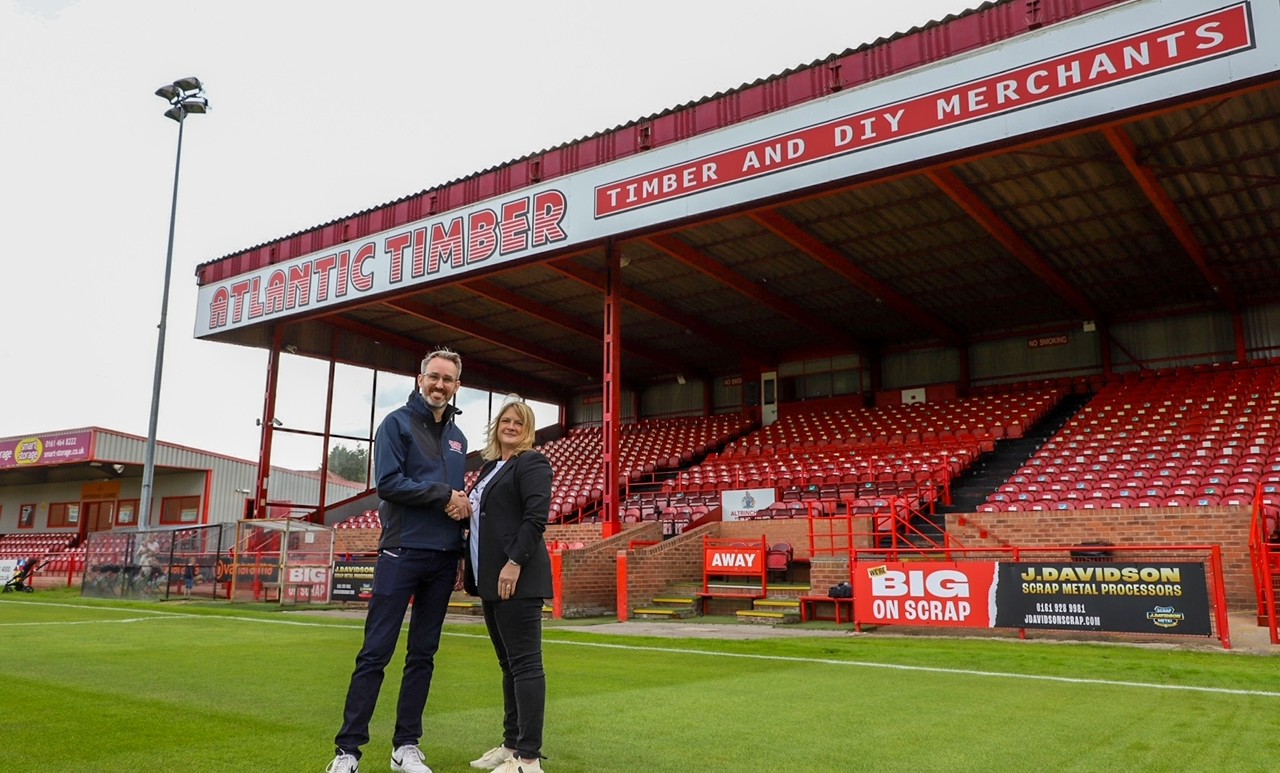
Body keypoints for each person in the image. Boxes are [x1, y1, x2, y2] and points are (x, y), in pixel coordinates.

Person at [328, 349, 473, 773]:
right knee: (375, 653)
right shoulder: (395, 424)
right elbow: (389, 484)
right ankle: (348, 751)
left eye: (448, 379)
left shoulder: (459, 438)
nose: (440, 385)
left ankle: (405, 746)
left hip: (444, 558)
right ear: (419, 378)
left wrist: (462, 543)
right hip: (401, 552)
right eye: (434, 376)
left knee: (423, 655)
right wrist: (444, 495)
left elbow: (458, 501)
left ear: (457, 386)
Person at [464, 397, 553, 773]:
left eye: (520, 421)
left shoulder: (531, 462)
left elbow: (536, 518)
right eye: (506, 420)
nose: (512, 426)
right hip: (489, 581)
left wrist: (514, 562)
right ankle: (512, 744)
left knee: (526, 666)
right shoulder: (488, 468)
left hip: (517, 579)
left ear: (528, 428)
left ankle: (528, 759)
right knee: (509, 666)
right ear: (496, 425)